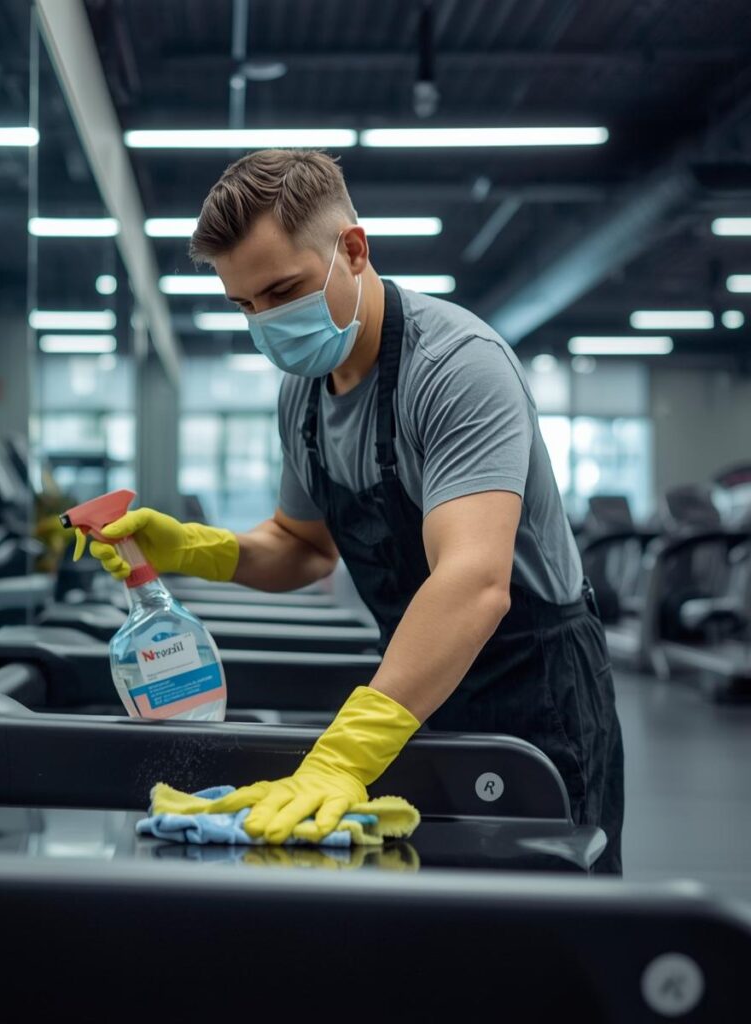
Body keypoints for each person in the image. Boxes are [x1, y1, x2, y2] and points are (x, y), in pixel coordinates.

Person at [79, 149, 624, 872]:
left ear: (353, 249)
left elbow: (474, 582)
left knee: (551, 937)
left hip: (534, 691)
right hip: (418, 685)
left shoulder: (456, 365)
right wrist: (192, 550)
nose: (266, 323)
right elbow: (304, 546)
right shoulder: (303, 392)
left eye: (282, 291)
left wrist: (343, 754)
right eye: (244, 306)